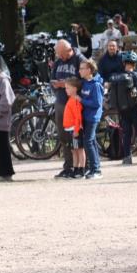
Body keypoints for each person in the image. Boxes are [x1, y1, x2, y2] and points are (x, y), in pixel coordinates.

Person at [50, 40, 85, 178]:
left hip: (75, 104)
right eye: (58, 54)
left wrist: (67, 84)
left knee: (78, 138)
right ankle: (68, 167)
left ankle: (82, 167)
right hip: (61, 102)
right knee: (64, 137)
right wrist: (55, 85)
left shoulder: (79, 59)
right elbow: (52, 80)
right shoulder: (58, 62)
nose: (59, 56)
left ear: (67, 50)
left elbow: (85, 79)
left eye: (60, 54)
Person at [78, 58, 104, 179]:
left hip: (93, 118)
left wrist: (81, 100)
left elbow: (97, 103)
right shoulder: (84, 83)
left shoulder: (96, 85)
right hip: (86, 116)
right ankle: (95, 167)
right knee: (91, 141)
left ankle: (96, 170)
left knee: (88, 141)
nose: (80, 71)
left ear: (89, 70)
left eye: (82, 69)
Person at [62, 78, 85, 178]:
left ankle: (82, 170)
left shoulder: (75, 100)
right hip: (69, 129)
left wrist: (76, 130)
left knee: (79, 150)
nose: (65, 90)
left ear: (75, 89)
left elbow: (78, 117)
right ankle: (75, 169)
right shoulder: (71, 99)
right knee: (74, 150)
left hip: (74, 129)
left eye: (68, 88)